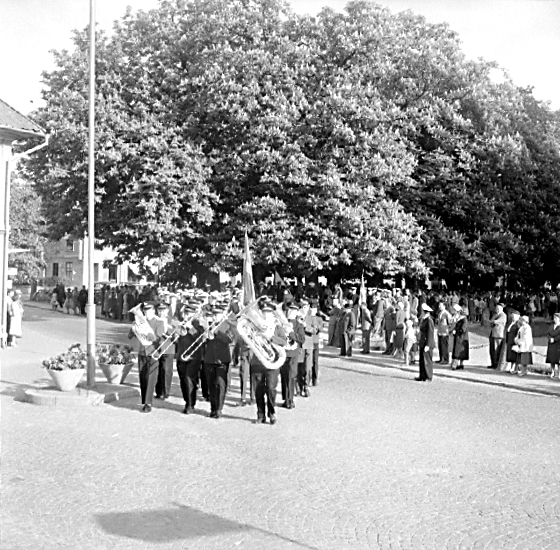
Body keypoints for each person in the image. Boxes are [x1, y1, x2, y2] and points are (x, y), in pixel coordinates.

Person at [250, 298, 288, 424]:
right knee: (258, 390)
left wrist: (271, 338)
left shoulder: (277, 327)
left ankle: (272, 413)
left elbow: (284, 341)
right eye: (264, 312)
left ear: (272, 313)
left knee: (271, 388)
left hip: (273, 362)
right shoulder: (255, 327)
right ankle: (260, 415)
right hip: (258, 362)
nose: (266, 314)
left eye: (269, 312)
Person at [128, 302, 165, 413]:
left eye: (148, 311)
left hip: (153, 353)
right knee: (143, 377)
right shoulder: (141, 322)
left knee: (151, 378)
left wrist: (150, 335)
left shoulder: (159, 322)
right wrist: (133, 329)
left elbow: (159, 339)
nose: (146, 313)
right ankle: (144, 400)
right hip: (142, 352)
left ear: (153, 311)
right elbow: (130, 336)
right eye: (144, 311)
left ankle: (148, 403)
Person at [203, 304, 234, 419]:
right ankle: (213, 408)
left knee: (220, 385)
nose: (215, 317)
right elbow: (202, 341)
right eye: (214, 315)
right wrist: (205, 336)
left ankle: (219, 409)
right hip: (209, 359)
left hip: (222, 360)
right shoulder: (208, 325)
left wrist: (217, 332)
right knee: (211, 385)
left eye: (218, 314)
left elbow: (229, 339)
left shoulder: (228, 325)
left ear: (222, 315)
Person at [175, 302, 205, 414]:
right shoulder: (181, 323)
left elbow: (200, 340)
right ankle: (187, 400)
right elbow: (175, 340)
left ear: (194, 314)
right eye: (186, 313)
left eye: (189, 313)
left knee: (189, 379)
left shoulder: (198, 324)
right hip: (181, 355)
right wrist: (176, 333)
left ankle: (190, 405)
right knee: (183, 380)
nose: (186, 316)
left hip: (194, 356)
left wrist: (191, 328)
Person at [281, 304, 306, 409]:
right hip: (283, 353)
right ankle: (285, 398)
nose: (291, 312)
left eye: (293, 310)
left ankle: (290, 400)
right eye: (289, 310)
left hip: (293, 353)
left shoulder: (299, 325)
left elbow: (302, 339)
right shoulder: (282, 323)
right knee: (284, 376)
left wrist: (291, 334)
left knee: (291, 376)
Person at [154, 302, 175, 400]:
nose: (161, 313)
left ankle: (166, 392)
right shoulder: (155, 320)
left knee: (166, 371)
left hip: (168, 349)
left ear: (167, 311)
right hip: (157, 348)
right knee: (157, 371)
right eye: (159, 310)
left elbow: (177, 334)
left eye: (163, 310)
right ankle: (158, 391)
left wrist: (168, 328)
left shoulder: (172, 321)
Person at [415, 304, 436, 382]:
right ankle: (422, 375)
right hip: (422, 342)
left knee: (427, 361)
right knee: (422, 360)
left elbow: (430, 333)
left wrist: (428, 345)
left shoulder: (429, 321)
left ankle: (428, 376)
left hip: (426, 342)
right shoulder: (424, 320)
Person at [450, 304, 469, 370]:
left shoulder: (464, 319)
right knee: (458, 350)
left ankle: (456, 364)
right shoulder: (459, 319)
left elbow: (463, 329)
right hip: (458, 337)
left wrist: (456, 331)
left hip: (461, 338)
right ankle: (460, 364)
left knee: (458, 351)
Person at [488, 303, 507, 369]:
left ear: (501, 309)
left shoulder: (503, 315)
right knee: (492, 350)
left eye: (498, 309)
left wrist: (492, 321)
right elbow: (491, 321)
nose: (496, 310)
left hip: (499, 335)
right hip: (492, 333)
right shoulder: (495, 314)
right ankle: (493, 363)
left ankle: (496, 364)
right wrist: (492, 321)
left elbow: (496, 321)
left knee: (497, 350)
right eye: (496, 308)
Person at [546, 313, 560, 380]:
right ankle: (552, 372)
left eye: (556, 318)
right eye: (554, 318)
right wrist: (550, 339)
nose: (555, 319)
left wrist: (554, 339)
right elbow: (547, 334)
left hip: (558, 345)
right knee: (552, 359)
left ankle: (559, 374)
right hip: (551, 344)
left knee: (558, 360)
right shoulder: (551, 326)